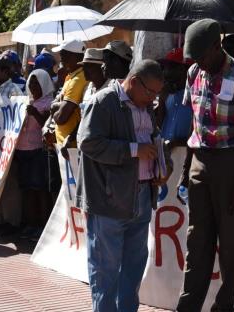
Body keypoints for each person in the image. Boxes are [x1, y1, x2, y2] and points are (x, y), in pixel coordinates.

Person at [177, 19, 234, 312]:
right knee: (196, 242)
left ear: (217, 46)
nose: (198, 62)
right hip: (199, 161)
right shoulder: (193, 72)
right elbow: (194, 123)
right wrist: (186, 169)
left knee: (229, 245)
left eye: (201, 56)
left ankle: (224, 307)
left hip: (229, 165)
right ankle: (188, 306)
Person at [76, 59, 169, 312]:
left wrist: (164, 165)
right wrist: (134, 150)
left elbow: (153, 138)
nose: (153, 99)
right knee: (105, 270)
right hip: (109, 200)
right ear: (134, 81)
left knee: (133, 268)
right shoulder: (103, 102)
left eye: (156, 94)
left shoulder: (146, 106)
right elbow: (88, 143)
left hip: (141, 196)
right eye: (150, 92)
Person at [14, 69, 55, 238]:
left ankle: (42, 226)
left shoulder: (49, 103)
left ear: (44, 84)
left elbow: (48, 125)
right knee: (27, 189)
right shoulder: (26, 101)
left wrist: (35, 113)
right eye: (30, 83)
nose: (32, 86)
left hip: (38, 151)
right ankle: (30, 223)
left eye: (36, 83)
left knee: (40, 190)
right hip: (22, 151)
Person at [50, 39, 87, 148]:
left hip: (71, 147)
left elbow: (61, 118)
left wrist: (54, 108)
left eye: (64, 55)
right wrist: (57, 105)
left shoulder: (78, 79)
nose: (61, 59)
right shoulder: (71, 76)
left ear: (75, 56)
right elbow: (56, 104)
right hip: (63, 144)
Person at [157, 48, 193, 148]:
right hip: (164, 148)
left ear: (181, 69)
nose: (164, 72)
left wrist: (177, 143)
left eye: (169, 68)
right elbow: (159, 124)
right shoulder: (165, 93)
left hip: (184, 151)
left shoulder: (195, 95)